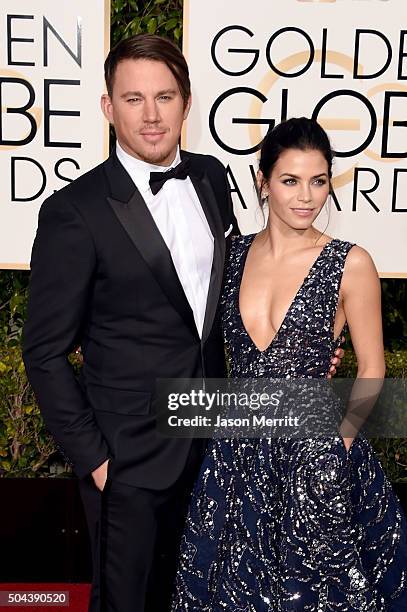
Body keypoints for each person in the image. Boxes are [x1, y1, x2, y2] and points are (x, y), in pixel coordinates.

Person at [22, 35, 342, 611]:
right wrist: (97, 461)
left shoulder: (211, 179)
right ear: (107, 106)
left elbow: (225, 302)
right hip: (129, 460)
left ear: (187, 103)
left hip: (217, 446)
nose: (151, 115)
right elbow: (43, 352)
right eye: (134, 98)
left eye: (165, 97)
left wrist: (303, 346)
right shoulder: (75, 211)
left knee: (207, 596)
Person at [171, 118, 407, 611]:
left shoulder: (350, 262)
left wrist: (339, 442)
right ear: (263, 181)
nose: (307, 196)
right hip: (237, 462)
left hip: (316, 456)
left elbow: (372, 367)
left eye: (319, 181)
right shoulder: (230, 255)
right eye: (290, 180)